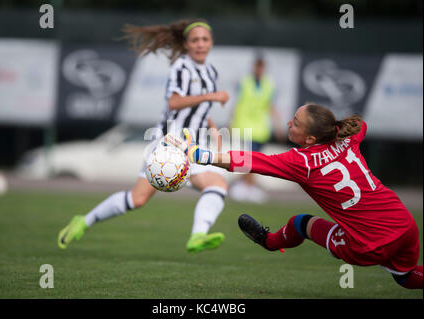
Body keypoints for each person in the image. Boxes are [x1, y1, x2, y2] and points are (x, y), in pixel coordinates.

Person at [165, 102, 422, 289]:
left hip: (369, 244)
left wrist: (203, 156)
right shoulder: (350, 137)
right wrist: (337, 128)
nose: (289, 123)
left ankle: (268, 241)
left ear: (310, 138)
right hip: (404, 223)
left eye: (296, 123)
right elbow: (360, 125)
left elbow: (251, 161)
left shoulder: (302, 161)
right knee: (406, 277)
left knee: (301, 224)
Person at [57, 19, 230, 253]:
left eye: (204, 39)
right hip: (169, 142)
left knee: (217, 184)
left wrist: (212, 127)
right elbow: (174, 102)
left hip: (191, 144)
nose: (200, 44)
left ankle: (198, 236)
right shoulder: (181, 67)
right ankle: (83, 221)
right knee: (138, 199)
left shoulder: (210, 71)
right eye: (195, 40)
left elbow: (199, 109)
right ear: (186, 45)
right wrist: (211, 97)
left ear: (211, 42)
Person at [229, 55, 286, 203]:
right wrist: (231, 122)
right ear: (254, 67)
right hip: (245, 126)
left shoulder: (269, 84)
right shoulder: (244, 82)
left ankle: (245, 185)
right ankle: (247, 187)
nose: (259, 70)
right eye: (257, 66)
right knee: (249, 159)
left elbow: (272, 106)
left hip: (261, 129)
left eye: (261, 67)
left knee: (254, 160)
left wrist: (278, 126)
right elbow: (237, 103)